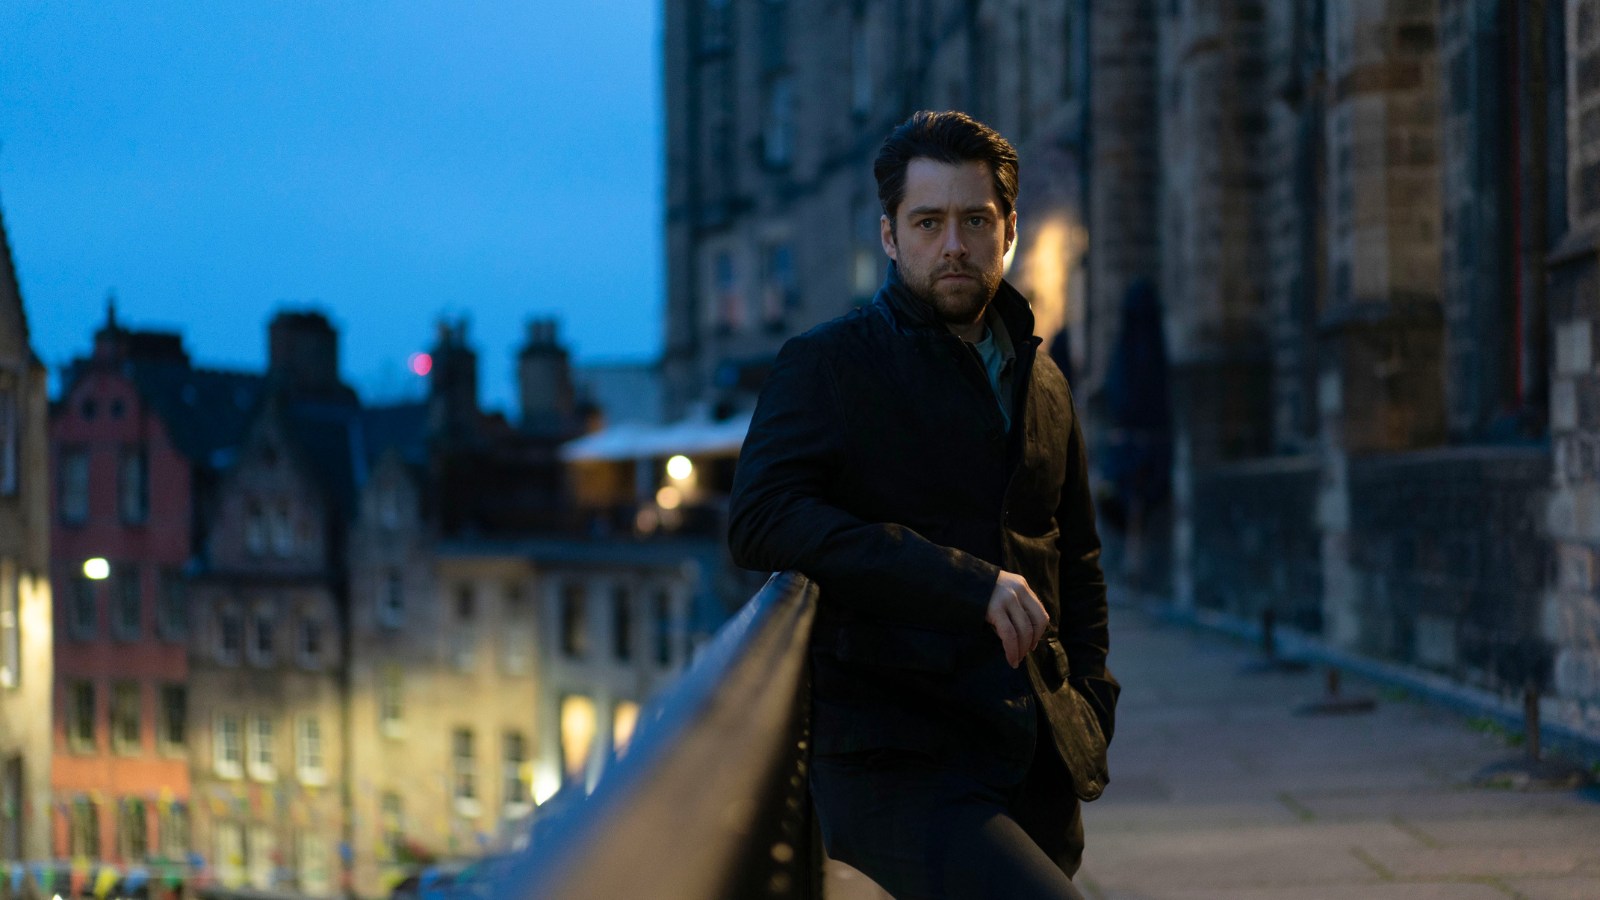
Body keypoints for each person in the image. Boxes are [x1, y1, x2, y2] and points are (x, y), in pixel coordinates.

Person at [728, 110, 1118, 900]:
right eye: (929, 221)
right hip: (896, 758)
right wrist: (964, 583)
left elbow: (1075, 555)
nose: (953, 245)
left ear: (1007, 231)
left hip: (1029, 754)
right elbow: (761, 517)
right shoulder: (827, 365)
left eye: (975, 221)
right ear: (890, 236)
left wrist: (1090, 703)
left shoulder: (1042, 380)